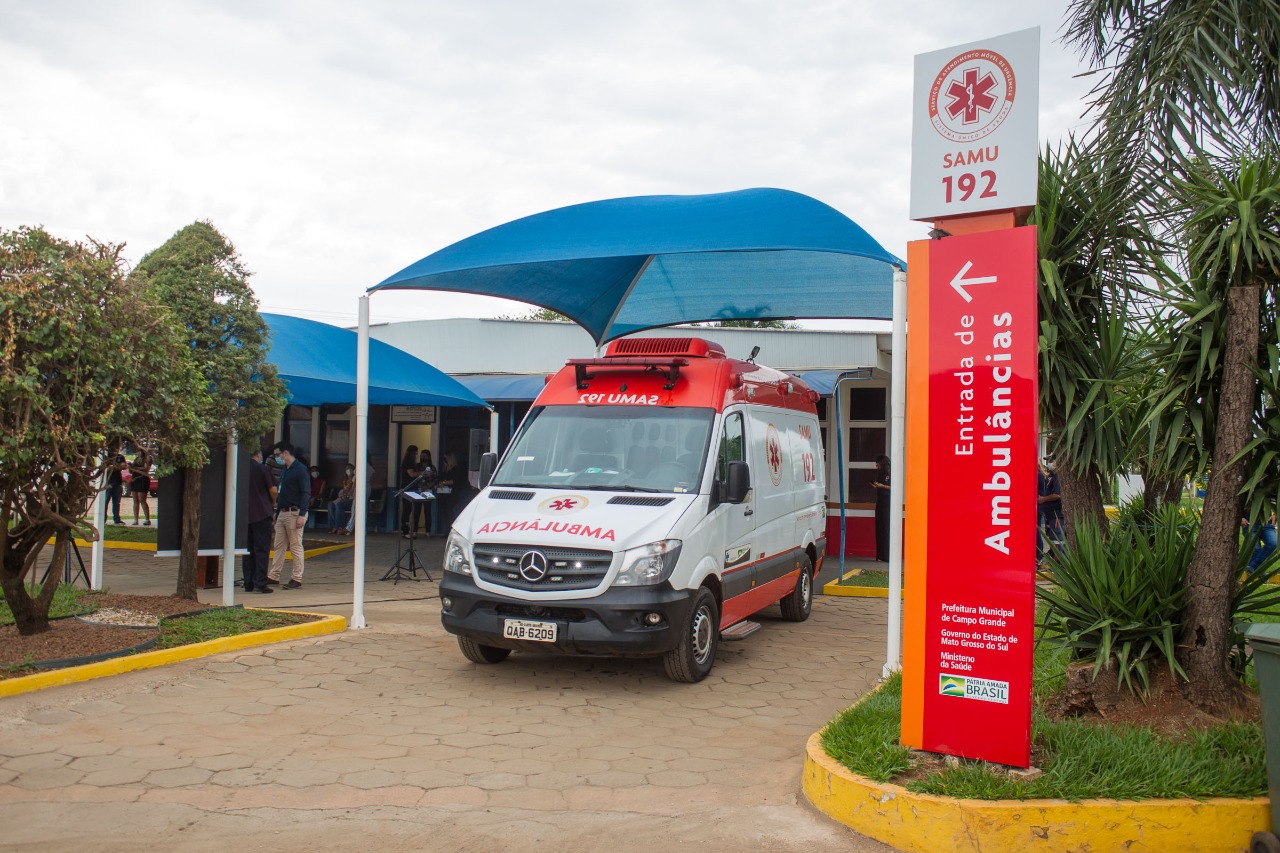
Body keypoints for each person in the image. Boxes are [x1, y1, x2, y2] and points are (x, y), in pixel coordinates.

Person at [266, 441, 309, 589]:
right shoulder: (285, 469)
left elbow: (305, 493)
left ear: (285, 453)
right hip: (283, 511)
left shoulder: (300, 470)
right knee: (279, 545)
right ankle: (274, 575)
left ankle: (297, 577)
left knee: (295, 546)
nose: (277, 458)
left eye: (278, 454)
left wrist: (302, 514)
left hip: (294, 512)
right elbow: (282, 492)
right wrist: (277, 513)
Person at [242, 448, 277, 594]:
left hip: (244, 515)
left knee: (247, 550)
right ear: (258, 455)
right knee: (261, 549)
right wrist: (273, 503)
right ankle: (260, 582)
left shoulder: (241, 469)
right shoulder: (262, 469)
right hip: (262, 513)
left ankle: (248, 582)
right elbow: (273, 490)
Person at [1038, 458, 1064, 564]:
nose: (1050, 464)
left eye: (1052, 461)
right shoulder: (1051, 476)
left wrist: (1043, 499)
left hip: (1056, 514)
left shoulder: (1058, 476)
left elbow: (1057, 495)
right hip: (1050, 514)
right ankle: (1052, 559)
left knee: (1057, 539)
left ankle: (1059, 563)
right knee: (1052, 538)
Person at [399, 445, 423, 538]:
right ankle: (405, 531)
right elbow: (412, 474)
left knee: (412, 510)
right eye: (416, 453)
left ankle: (410, 530)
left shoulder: (413, 463)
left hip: (413, 489)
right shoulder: (408, 462)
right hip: (407, 489)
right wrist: (422, 473)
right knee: (407, 510)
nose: (417, 455)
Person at [871, 455, 891, 562]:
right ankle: (880, 555)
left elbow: (894, 487)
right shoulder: (880, 474)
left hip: (887, 500)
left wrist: (882, 486)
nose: (877, 466)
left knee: (886, 527)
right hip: (880, 499)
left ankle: (887, 555)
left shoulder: (891, 473)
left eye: (878, 464)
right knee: (879, 527)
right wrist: (875, 485)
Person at [328, 464, 356, 533]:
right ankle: (333, 526)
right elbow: (344, 491)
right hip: (343, 497)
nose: (349, 470)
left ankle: (339, 526)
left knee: (339, 505)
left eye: (350, 468)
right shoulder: (345, 480)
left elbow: (351, 491)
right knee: (330, 504)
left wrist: (350, 484)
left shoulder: (355, 479)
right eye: (347, 468)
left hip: (352, 499)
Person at [129, 454, 152, 526]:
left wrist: (135, 468)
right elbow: (131, 471)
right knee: (135, 500)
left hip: (142, 479)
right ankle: (135, 519)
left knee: (142, 500)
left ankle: (147, 519)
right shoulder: (136, 458)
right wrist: (130, 467)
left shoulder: (148, 457)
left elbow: (146, 468)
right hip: (135, 478)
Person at [106, 454, 126, 525]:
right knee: (105, 501)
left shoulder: (120, 456)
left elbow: (124, 466)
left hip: (118, 483)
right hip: (108, 483)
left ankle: (117, 519)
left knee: (116, 502)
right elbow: (108, 468)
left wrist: (115, 466)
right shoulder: (107, 455)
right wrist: (118, 466)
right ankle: (103, 518)